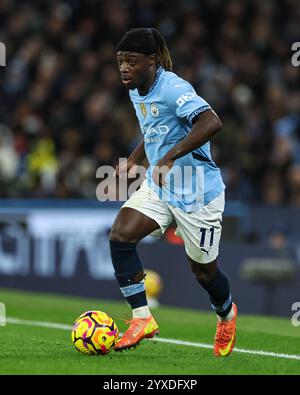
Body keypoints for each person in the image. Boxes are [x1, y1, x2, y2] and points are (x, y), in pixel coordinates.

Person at [109, 27, 237, 357]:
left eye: (131, 61)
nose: (124, 68)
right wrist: (135, 160)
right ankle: (142, 318)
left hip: (197, 193)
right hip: (160, 185)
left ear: (151, 61)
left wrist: (167, 157)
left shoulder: (174, 88)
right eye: (120, 61)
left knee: (204, 272)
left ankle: (226, 314)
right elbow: (154, 129)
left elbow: (211, 122)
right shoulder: (137, 88)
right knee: (121, 235)